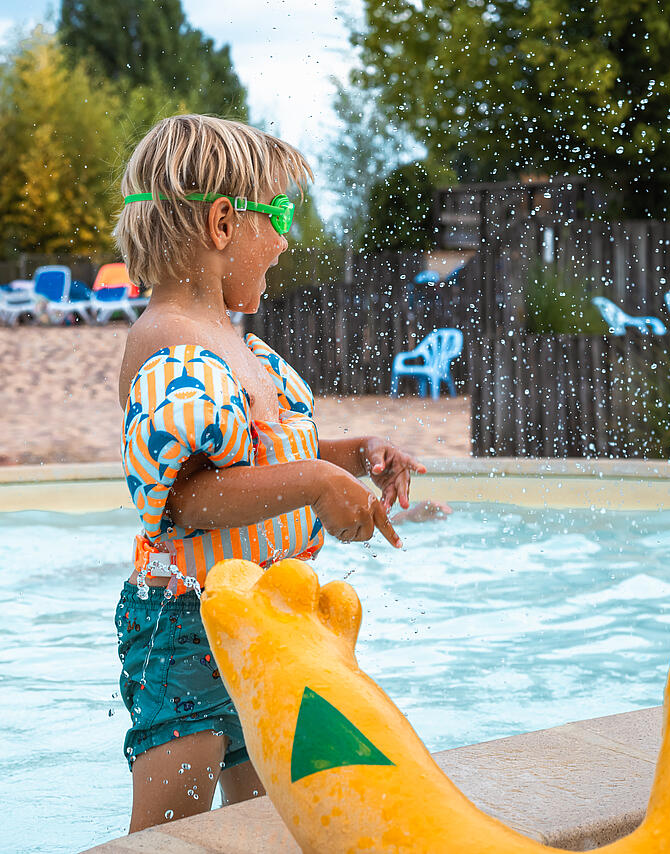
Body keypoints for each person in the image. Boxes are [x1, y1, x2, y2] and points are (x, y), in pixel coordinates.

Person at [113, 114, 426, 833]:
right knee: (168, 835)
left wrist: (354, 454)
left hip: (261, 617)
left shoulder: (232, 342)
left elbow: (266, 457)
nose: (285, 240)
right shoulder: (168, 340)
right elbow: (187, 500)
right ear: (223, 222)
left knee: (264, 823)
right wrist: (318, 484)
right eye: (279, 215)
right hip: (189, 627)